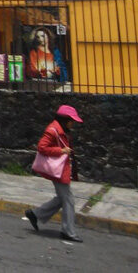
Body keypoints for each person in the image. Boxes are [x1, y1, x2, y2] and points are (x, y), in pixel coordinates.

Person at [25, 104, 83, 243]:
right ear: (65, 119)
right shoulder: (53, 130)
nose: (73, 123)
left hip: (60, 169)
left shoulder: (60, 129)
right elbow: (42, 147)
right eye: (71, 120)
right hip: (57, 170)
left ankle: (35, 214)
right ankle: (68, 232)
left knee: (62, 198)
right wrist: (61, 151)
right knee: (68, 200)